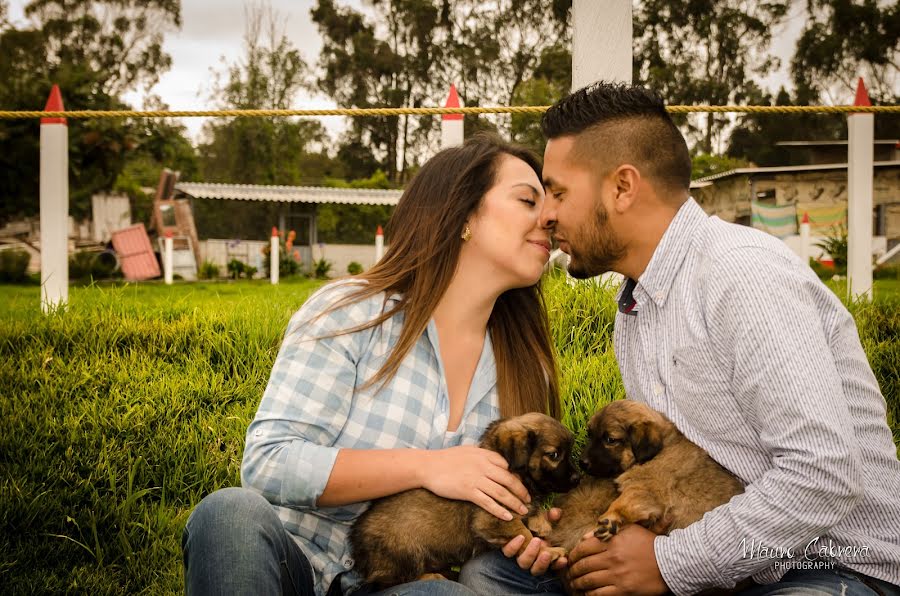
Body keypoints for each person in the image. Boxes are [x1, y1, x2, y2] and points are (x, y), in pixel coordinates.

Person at [518, 81, 899, 596]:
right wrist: (588, 522)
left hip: (832, 566)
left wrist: (670, 563)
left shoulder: (740, 275)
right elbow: (667, 468)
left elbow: (824, 474)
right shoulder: (636, 305)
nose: (547, 214)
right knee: (499, 575)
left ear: (623, 188)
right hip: (720, 561)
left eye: (559, 192)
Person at [181, 134, 571, 596]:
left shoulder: (525, 365)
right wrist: (428, 467)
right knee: (228, 513)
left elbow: (499, 518)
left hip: (401, 584)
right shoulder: (352, 312)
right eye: (528, 200)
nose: (547, 217)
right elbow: (270, 461)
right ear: (463, 215)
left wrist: (530, 539)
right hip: (293, 567)